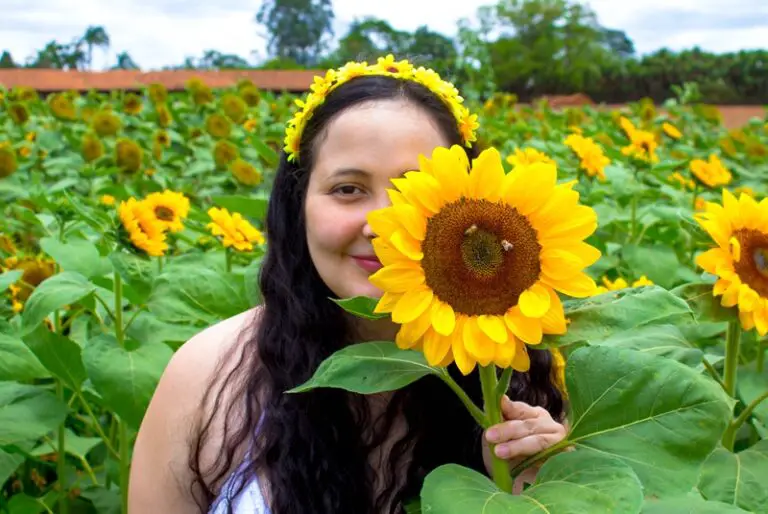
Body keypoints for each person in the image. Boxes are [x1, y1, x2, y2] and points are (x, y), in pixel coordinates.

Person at [128, 56, 567, 514]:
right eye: (348, 189)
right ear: (298, 206)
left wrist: (538, 494)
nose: (381, 225)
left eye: (412, 190)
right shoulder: (205, 378)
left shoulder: (521, 384)